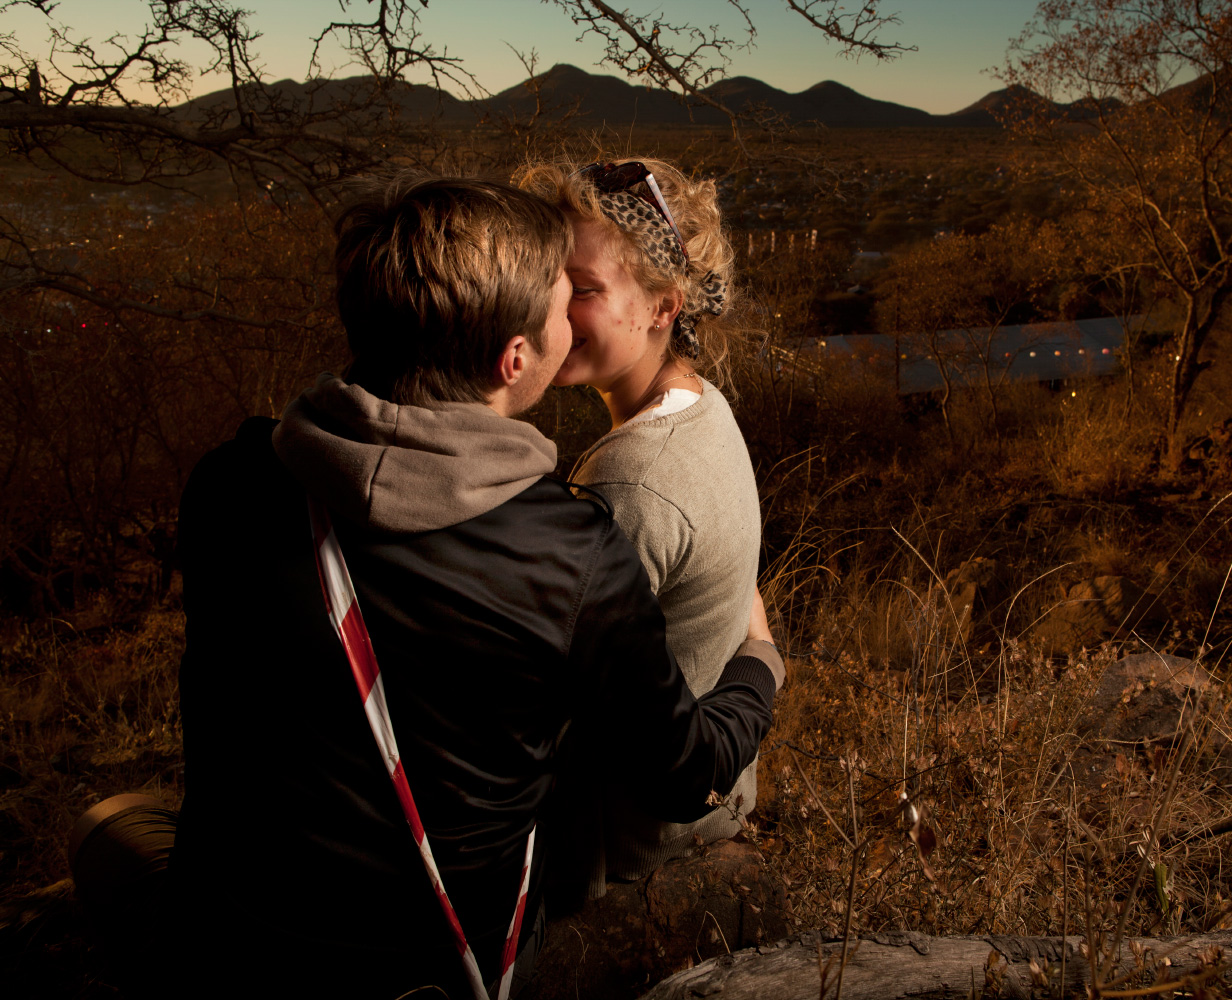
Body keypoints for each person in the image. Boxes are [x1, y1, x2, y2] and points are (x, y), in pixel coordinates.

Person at [122, 174, 785, 999]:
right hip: (429, 964)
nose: (570, 317)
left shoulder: (230, 485)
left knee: (111, 827)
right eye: (558, 298)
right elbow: (682, 773)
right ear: (515, 359)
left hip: (229, 943)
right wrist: (761, 661)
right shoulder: (569, 553)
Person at [516, 158, 762, 900]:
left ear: (663, 307)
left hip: (617, 847)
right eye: (550, 282)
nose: (552, 312)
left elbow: (542, 708)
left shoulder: (628, 481)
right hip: (706, 810)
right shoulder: (704, 405)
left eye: (584, 290)